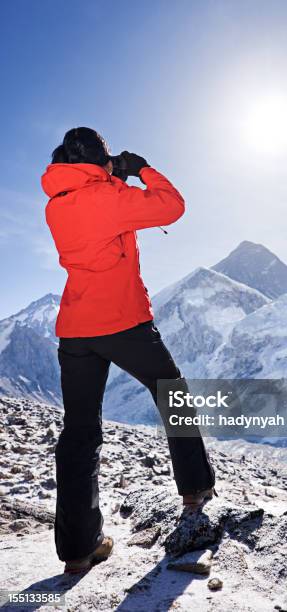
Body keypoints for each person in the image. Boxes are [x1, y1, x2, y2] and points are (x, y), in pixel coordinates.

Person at [41, 127, 216, 574]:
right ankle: (195, 491)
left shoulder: (56, 204)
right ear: (100, 162)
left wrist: (108, 174)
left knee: (79, 432)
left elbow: (94, 200)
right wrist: (139, 169)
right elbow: (172, 207)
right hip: (122, 321)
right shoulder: (109, 197)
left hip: (77, 329)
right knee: (172, 394)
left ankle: (79, 550)